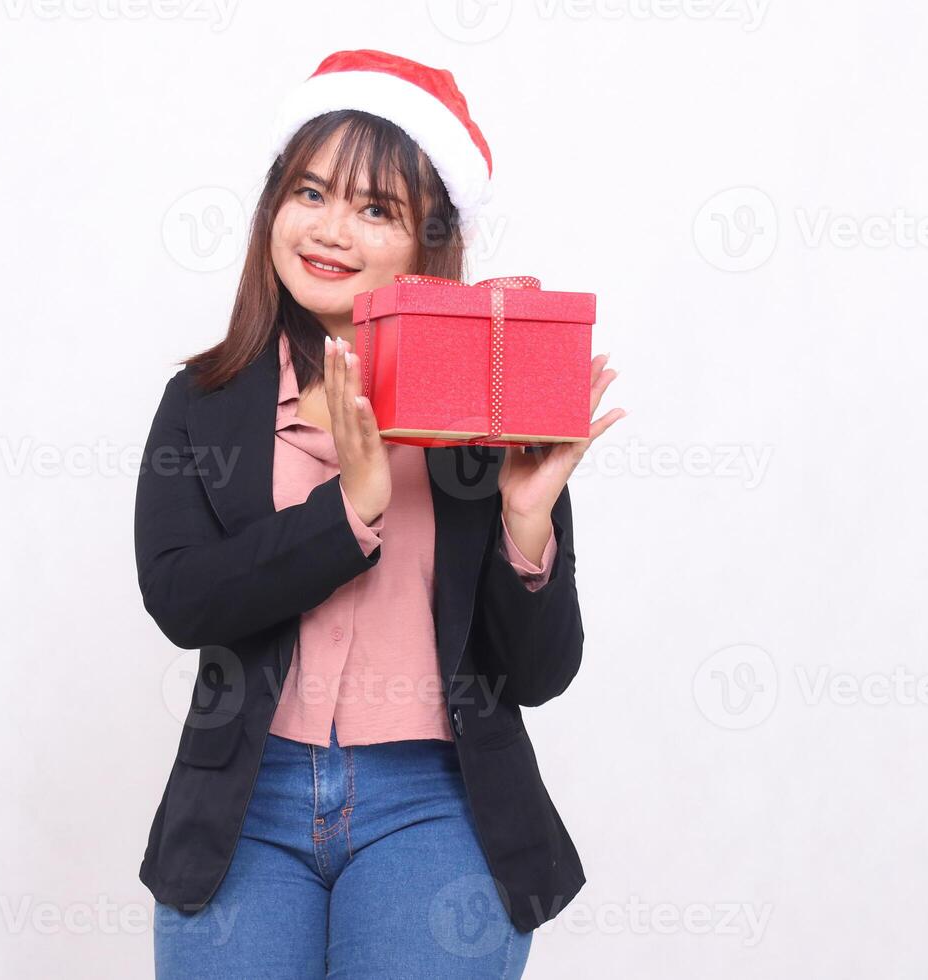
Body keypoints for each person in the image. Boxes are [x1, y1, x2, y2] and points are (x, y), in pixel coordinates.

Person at [134, 49, 625, 978]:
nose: (331, 230)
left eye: (375, 209)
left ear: (425, 242)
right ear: (273, 208)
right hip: (246, 804)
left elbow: (540, 672)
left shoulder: (490, 406)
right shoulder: (204, 401)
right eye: (310, 193)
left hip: (437, 802)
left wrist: (527, 522)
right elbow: (182, 598)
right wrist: (350, 513)